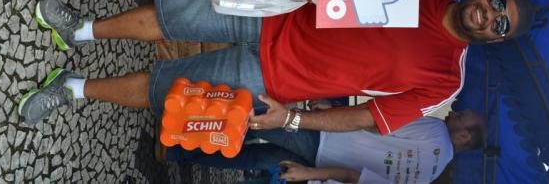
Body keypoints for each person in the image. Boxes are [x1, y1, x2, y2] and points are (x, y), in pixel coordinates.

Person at [18, 0, 536, 135]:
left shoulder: (446, 81)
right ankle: (79, 29)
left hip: (273, 82)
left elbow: (368, 118)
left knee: (169, 91)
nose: (490, 15)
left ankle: (72, 89)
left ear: (496, 39)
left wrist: (292, 120)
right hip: (275, 7)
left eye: (501, 24)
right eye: (498, 2)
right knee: (170, 16)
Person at [166, 110, 486, 184]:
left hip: (325, 134)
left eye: (460, 117)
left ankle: (182, 125)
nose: (452, 113)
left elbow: (374, 120)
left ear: (463, 138)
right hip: (322, 164)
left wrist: (328, 112)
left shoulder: (435, 130)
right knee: (256, 157)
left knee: (253, 119)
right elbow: (355, 178)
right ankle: (177, 151)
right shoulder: (426, 179)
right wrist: (311, 174)